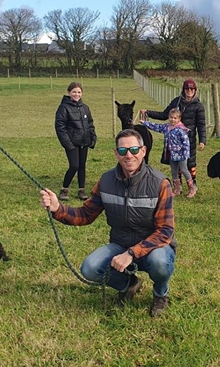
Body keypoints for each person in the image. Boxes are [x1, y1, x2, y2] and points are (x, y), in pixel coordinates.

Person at [39, 129, 176, 317]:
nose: (129, 155)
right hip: (120, 243)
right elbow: (86, 214)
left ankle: (161, 293)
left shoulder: (160, 183)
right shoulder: (106, 180)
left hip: (154, 247)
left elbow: (165, 231)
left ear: (143, 151)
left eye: (134, 149)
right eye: (123, 151)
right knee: (90, 268)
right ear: (115, 153)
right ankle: (129, 285)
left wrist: (131, 253)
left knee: (160, 263)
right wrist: (57, 208)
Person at [142, 78, 206, 184]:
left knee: (190, 163)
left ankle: (193, 183)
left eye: (192, 89)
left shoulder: (199, 106)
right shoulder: (176, 102)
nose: (189, 91)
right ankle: (178, 185)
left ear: (195, 90)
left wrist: (202, 140)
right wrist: (148, 112)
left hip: (189, 139)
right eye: (187, 88)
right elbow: (164, 115)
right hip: (175, 140)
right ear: (183, 89)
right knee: (176, 162)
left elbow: (201, 125)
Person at [54, 82, 96, 201]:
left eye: (79, 92)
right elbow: (60, 127)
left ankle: (81, 190)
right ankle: (64, 189)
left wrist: (92, 138)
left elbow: (90, 124)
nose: (76, 94)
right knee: (74, 165)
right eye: (74, 92)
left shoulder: (85, 108)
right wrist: (67, 143)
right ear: (69, 93)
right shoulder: (64, 108)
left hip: (84, 142)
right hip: (72, 143)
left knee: (82, 166)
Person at [141, 108, 196, 198]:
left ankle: (191, 188)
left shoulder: (181, 130)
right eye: (171, 117)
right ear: (168, 117)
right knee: (174, 172)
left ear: (179, 119)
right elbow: (157, 127)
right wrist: (145, 123)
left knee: (184, 170)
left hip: (181, 155)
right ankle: (177, 189)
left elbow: (186, 143)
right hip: (171, 154)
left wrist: (186, 154)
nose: (172, 120)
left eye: (175, 118)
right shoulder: (166, 127)